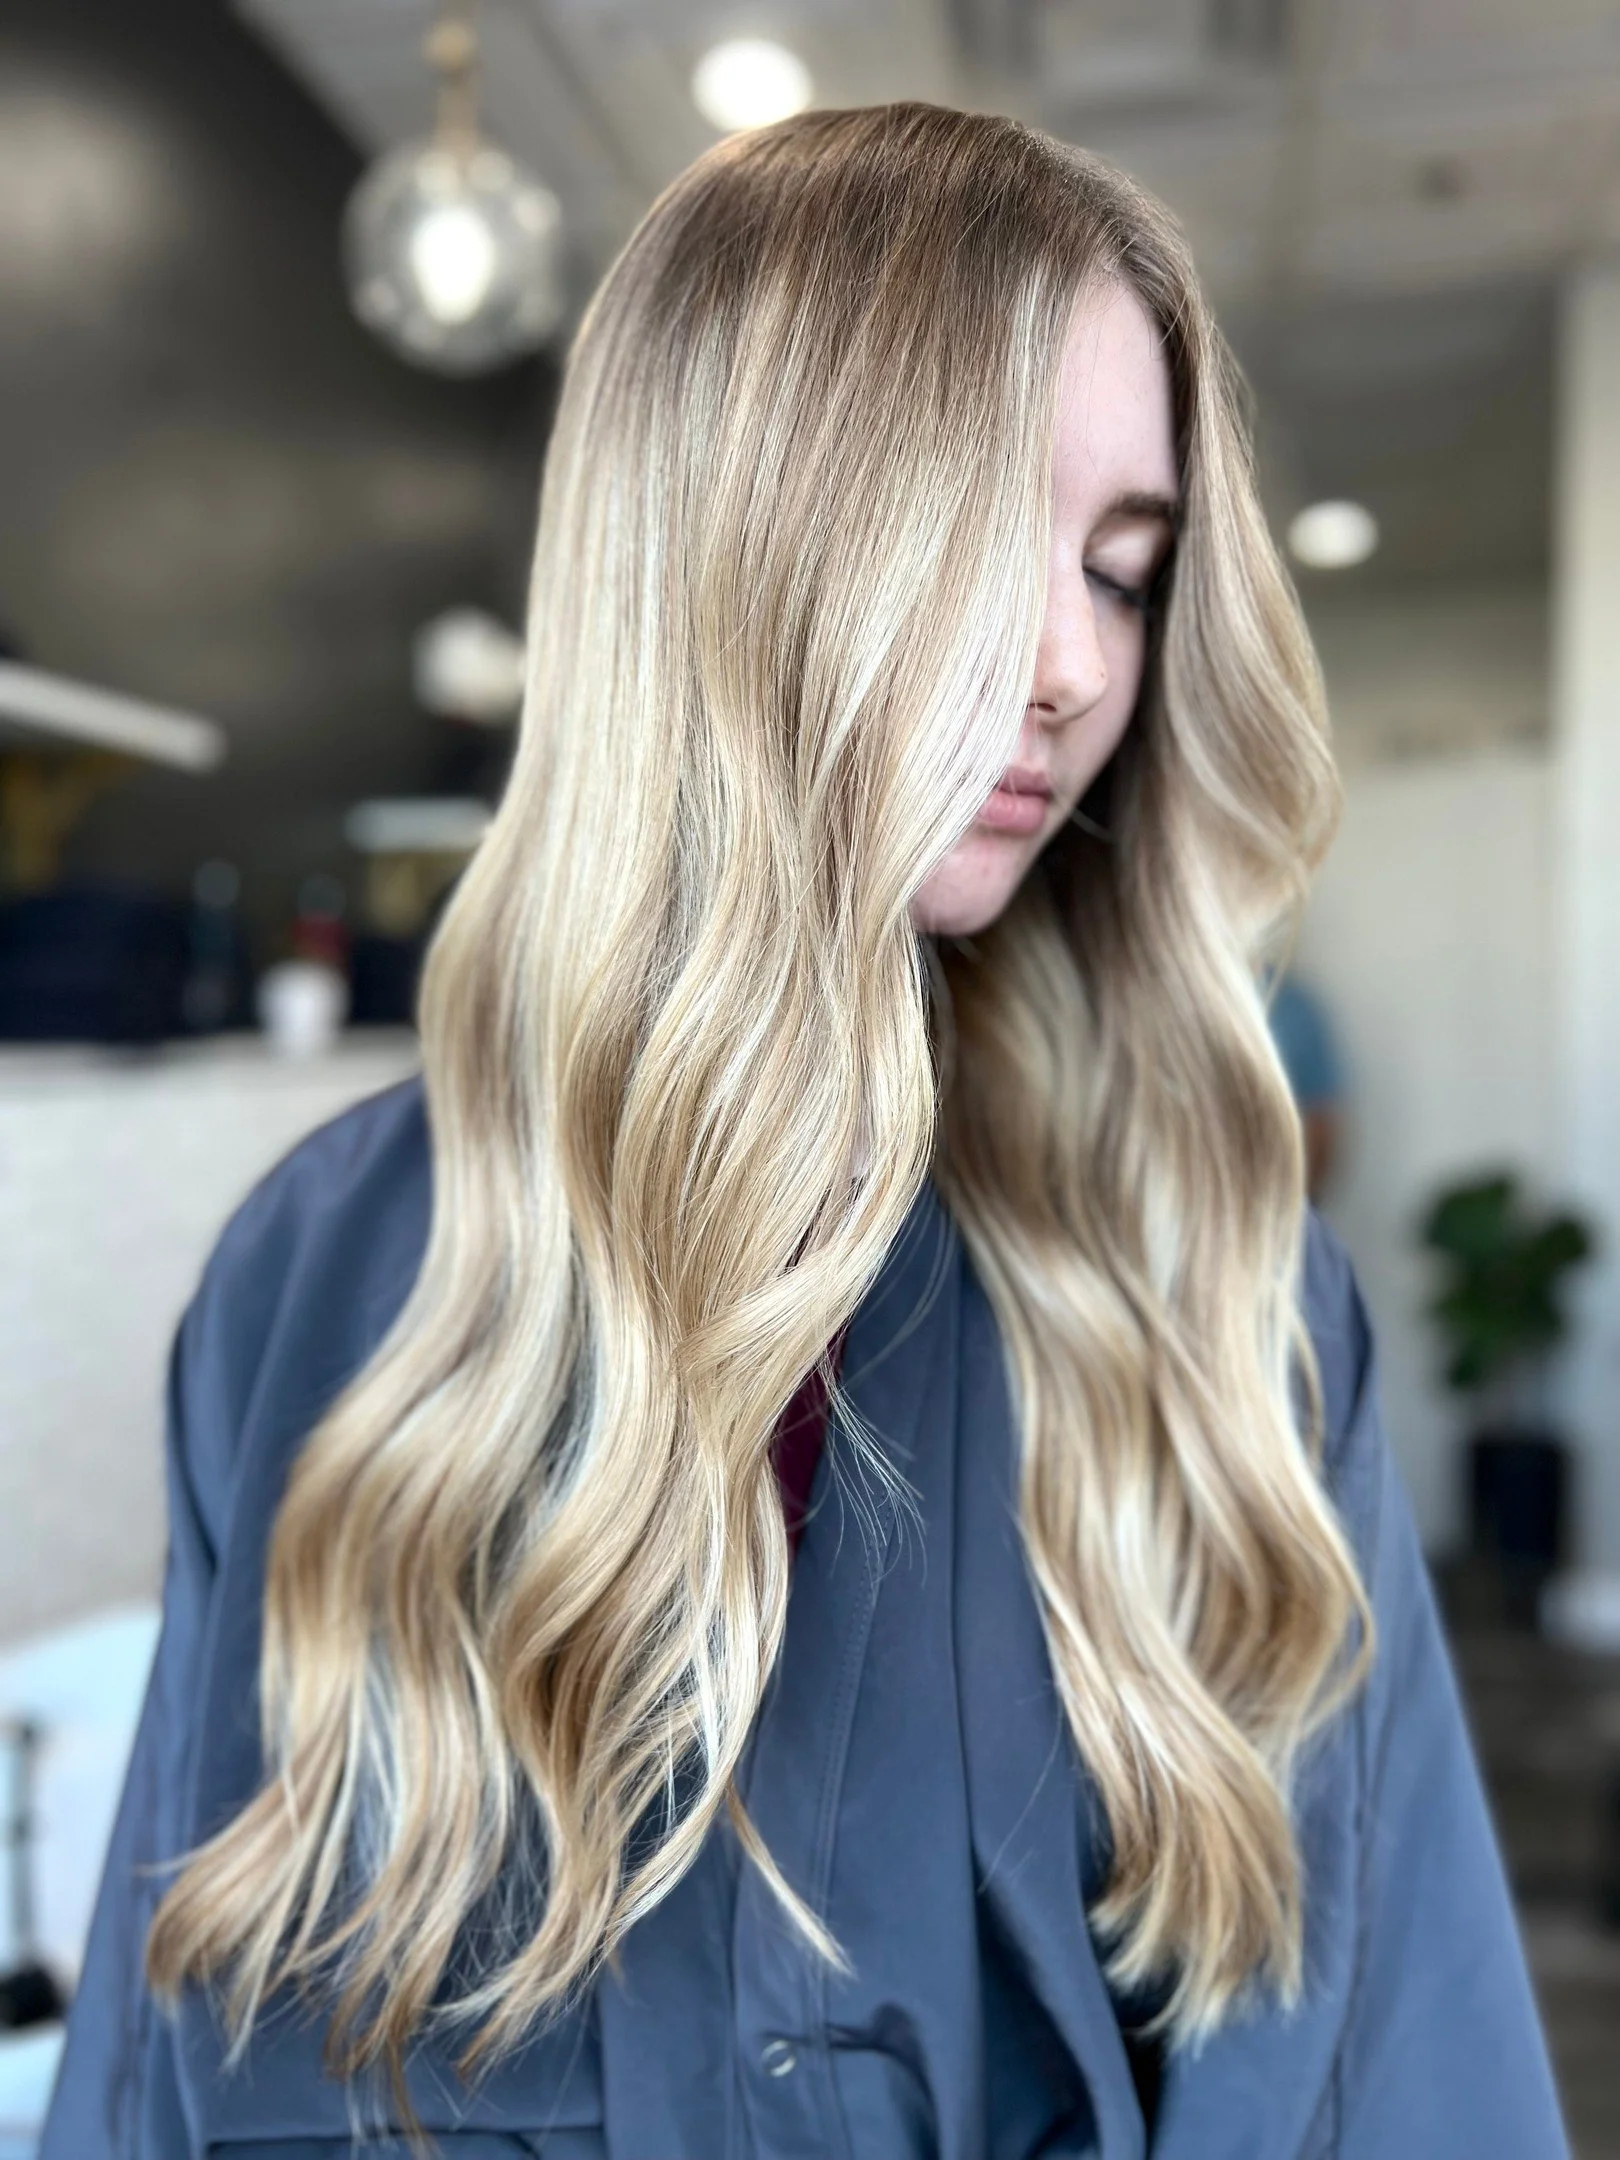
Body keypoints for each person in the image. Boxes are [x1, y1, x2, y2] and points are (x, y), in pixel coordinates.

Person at [43, 104, 1566, 2158]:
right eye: (971, 544)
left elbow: (1412, 2077)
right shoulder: (320, 1288)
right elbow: (165, 2077)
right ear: (718, 553)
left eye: (1126, 575)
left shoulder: (1225, 1306)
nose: (1069, 666)